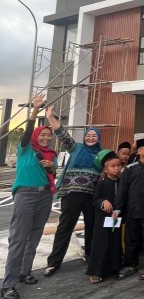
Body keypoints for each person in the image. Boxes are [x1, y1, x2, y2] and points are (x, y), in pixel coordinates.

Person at [2, 95, 57, 299]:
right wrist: (35, 111)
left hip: (45, 196)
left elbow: (53, 175)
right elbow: (27, 133)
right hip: (25, 194)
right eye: (42, 135)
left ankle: (25, 272)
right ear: (36, 135)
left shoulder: (51, 154)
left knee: (34, 237)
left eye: (48, 135)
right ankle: (8, 284)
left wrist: (52, 167)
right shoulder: (25, 149)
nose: (45, 138)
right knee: (18, 239)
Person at [43, 107, 103, 277]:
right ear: (84, 138)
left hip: (92, 196)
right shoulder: (76, 148)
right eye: (88, 135)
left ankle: (91, 256)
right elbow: (62, 134)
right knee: (64, 227)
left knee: (92, 226)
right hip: (71, 194)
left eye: (94, 135)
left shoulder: (102, 154)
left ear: (99, 138)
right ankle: (54, 262)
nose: (90, 138)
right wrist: (51, 118)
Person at [112, 137, 144, 281]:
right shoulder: (130, 169)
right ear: (139, 151)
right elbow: (122, 190)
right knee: (131, 239)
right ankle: (130, 265)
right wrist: (118, 208)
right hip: (131, 210)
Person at [87, 151, 122, 284]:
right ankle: (95, 271)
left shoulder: (121, 182)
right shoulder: (102, 182)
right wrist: (103, 202)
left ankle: (113, 268)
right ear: (106, 169)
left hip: (116, 217)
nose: (117, 168)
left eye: (118, 165)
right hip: (103, 218)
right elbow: (95, 199)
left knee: (114, 242)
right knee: (101, 243)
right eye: (113, 166)